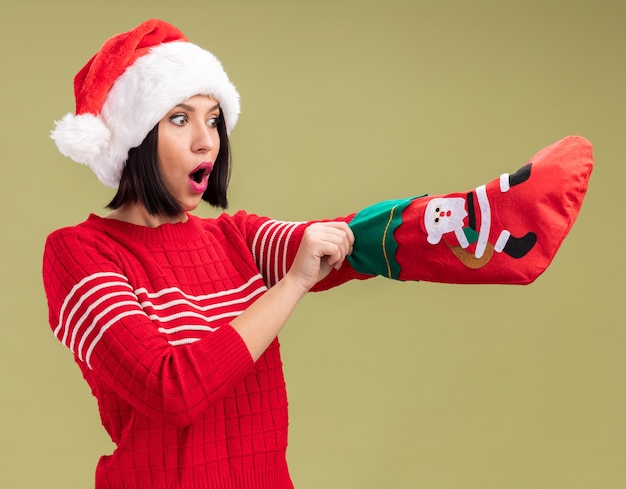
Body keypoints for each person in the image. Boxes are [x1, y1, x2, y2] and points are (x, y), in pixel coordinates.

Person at [42, 19, 593, 489]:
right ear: (134, 138)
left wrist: (482, 213)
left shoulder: (232, 237)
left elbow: (340, 244)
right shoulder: (78, 253)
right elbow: (174, 390)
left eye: (213, 119)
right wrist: (291, 285)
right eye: (179, 118)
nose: (207, 140)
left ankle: (491, 223)